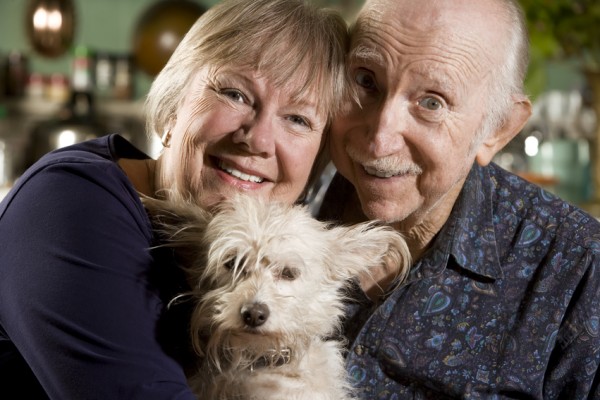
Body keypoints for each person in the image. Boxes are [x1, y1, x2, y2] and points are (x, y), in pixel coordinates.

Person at [0, 0, 348, 398]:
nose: (258, 139)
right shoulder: (71, 206)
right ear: (173, 105)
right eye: (235, 94)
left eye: (298, 119)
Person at [317, 0, 600, 398]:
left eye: (432, 102)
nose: (381, 137)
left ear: (498, 129)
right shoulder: (281, 195)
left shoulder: (578, 267)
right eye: (366, 81)